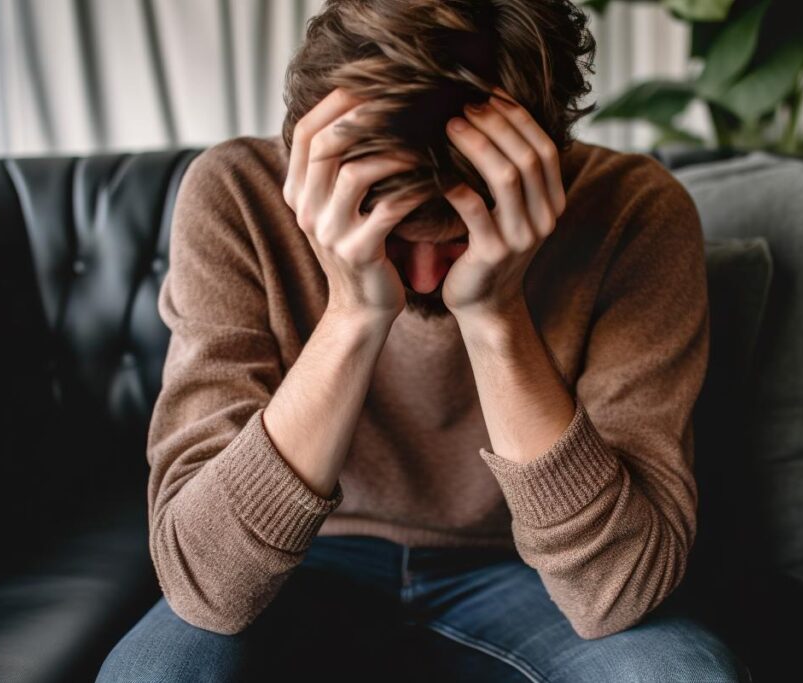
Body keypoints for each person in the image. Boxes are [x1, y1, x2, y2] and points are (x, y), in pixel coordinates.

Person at [98, 0, 750, 680]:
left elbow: (617, 590)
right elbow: (206, 588)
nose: (426, 277)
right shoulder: (235, 195)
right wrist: (353, 312)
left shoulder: (636, 214)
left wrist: (496, 315)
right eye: (393, 236)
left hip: (527, 575)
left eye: (462, 236)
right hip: (302, 562)